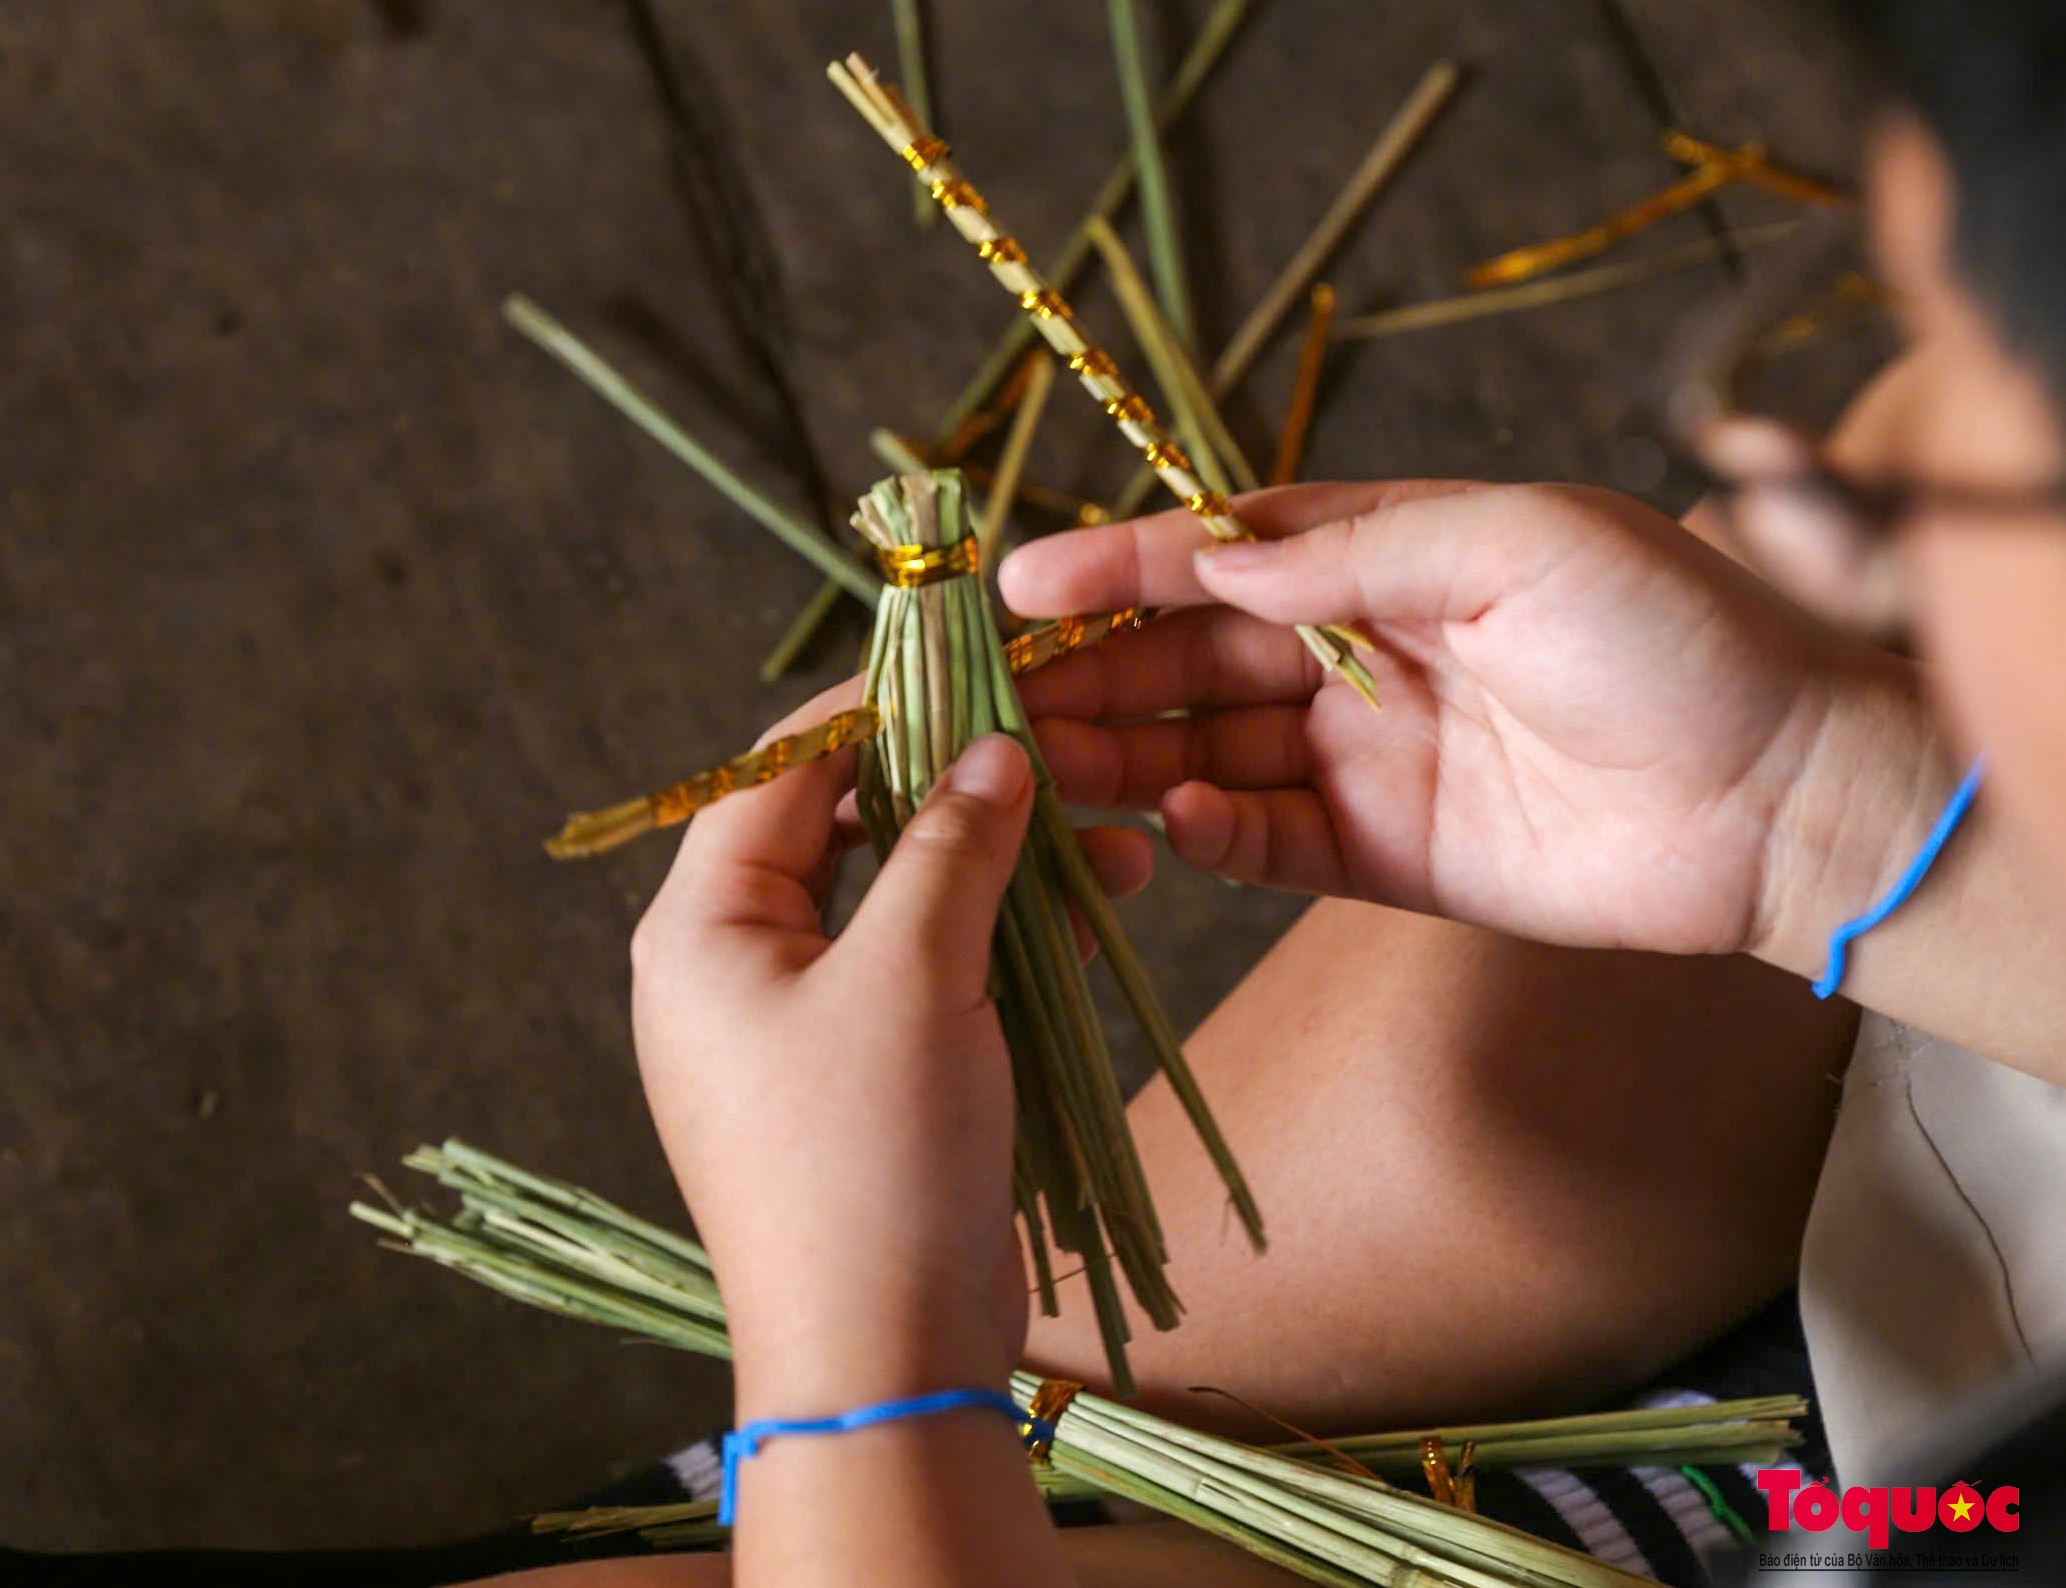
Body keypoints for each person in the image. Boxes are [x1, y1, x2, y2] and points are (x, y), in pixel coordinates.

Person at [501, 0, 2066, 1583]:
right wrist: (1806, 803)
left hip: (1889, 1514)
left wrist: (852, 1360)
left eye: (1956, 398)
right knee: (1419, 1169)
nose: (1808, 484)